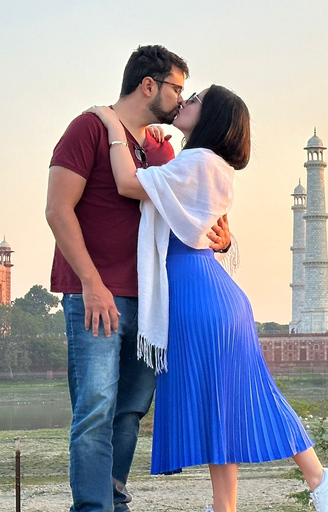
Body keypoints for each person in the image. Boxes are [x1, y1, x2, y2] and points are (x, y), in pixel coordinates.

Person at [88, 85, 328, 512]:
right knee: (223, 404)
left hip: (198, 297)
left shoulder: (199, 161)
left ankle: (319, 476)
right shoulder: (208, 166)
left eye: (195, 100)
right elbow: (206, 226)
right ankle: (238, 502)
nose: (185, 103)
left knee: (232, 399)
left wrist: (112, 125)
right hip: (210, 295)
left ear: (212, 118)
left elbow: (126, 182)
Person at [45, 45, 231, 512]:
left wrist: (223, 239)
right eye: (178, 89)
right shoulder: (89, 128)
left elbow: (191, 213)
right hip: (97, 297)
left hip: (150, 301)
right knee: (95, 411)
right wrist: (91, 283)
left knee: (129, 411)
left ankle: (114, 500)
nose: (182, 100)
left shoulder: (161, 148)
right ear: (149, 85)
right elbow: (57, 209)